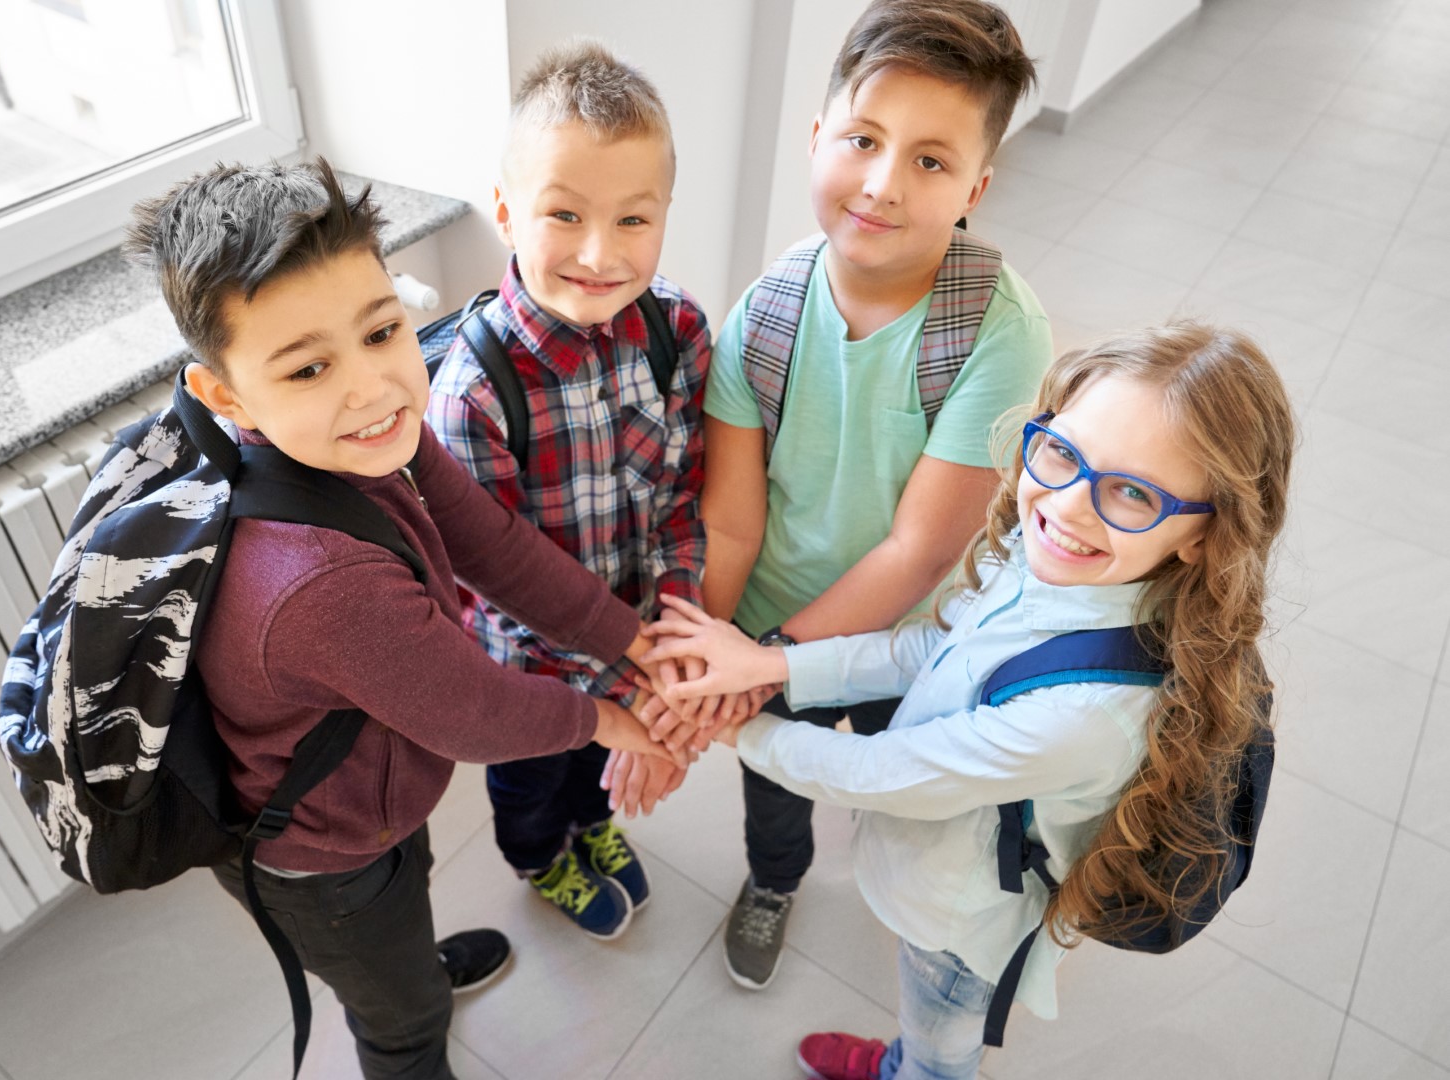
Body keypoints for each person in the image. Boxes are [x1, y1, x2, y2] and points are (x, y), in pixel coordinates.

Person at [123, 157, 679, 1080]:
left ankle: (405, 962)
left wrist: (633, 641)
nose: (374, 386)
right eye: (307, 367)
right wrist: (624, 720)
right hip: (318, 857)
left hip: (363, 795)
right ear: (225, 395)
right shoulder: (317, 583)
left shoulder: (379, 436)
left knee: (400, 913)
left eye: (382, 331)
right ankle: (407, 995)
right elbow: (474, 714)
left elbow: (492, 545)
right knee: (400, 1022)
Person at [644, 322, 1296, 1079]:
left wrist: (727, 728)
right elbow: (928, 649)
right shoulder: (1062, 560)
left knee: (939, 1045)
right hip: (944, 867)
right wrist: (769, 665)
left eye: (1131, 492)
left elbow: (876, 772)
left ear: (1200, 535)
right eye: (1062, 451)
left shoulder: (1085, 715)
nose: (1068, 507)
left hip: (960, 925)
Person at [697, 0, 1052, 989]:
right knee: (774, 783)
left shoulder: (997, 329)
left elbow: (916, 552)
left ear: (975, 185)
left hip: (911, 635)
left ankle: (916, 898)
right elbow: (731, 519)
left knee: (909, 785)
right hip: (778, 622)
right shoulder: (763, 311)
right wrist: (717, 656)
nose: (883, 184)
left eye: (930, 161)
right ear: (816, 139)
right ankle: (774, 880)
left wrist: (757, 666)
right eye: (862, 140)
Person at [427, 40, 711, 939]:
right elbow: (501, 584)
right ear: (507, 211)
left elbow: (682, 503)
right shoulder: (471, 394)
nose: (598, 253)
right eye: (563, 214)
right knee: (533, 778)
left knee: (600, 770)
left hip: (635, 645)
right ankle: (540, 856)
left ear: (666, 216)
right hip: (533, 671)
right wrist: (624, 676)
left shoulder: (679, 331)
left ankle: (593, 824)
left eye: (634, 221)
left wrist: (665, 645)